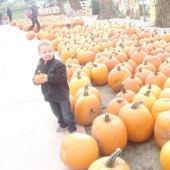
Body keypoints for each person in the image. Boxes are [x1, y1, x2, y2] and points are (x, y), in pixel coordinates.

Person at [33, 40, 77, 134]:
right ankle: (63, 124)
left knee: (66, 113)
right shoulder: (40, 65)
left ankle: (72, 128)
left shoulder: (58, 64)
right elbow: (36, 75)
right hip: (49, 94)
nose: (47, 54)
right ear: (39, 53)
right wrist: (35, 81)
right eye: (44, 52)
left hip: (61, 94)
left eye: (49, 51)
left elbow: (61, 77)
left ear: (53, 50)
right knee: (57, 112)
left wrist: (49, 78)